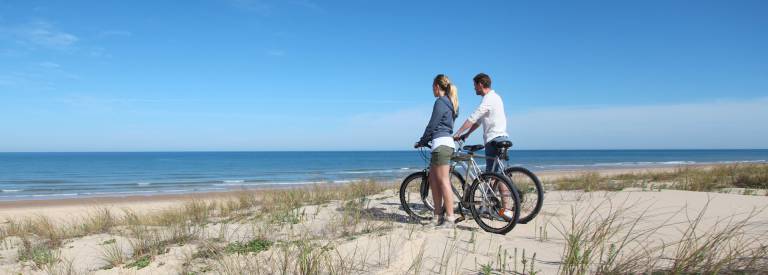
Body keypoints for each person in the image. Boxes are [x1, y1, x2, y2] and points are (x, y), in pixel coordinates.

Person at [452, 73, 514, 220]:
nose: (474, 88)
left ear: (480, 84)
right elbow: (479, 121)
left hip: (494, 139)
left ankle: (503, 209)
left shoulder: (489, 99)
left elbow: (473, 117)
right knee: (496, 175)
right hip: (500, 137)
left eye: (474, 85)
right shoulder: (496, 97)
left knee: (495, 176)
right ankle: (495, 207)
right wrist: (466, 135)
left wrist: (458, 132)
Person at [415, 74, 460, 227]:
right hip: (442, 144)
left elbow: (432, 125)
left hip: (441, 144)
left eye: (432, 87)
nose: (432, 90)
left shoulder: (441, 102)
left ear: (436, 86)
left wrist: (422, 141)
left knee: (443, 181)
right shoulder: (451, 103)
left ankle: (450, 218)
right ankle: (437, 216)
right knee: (433, 180)